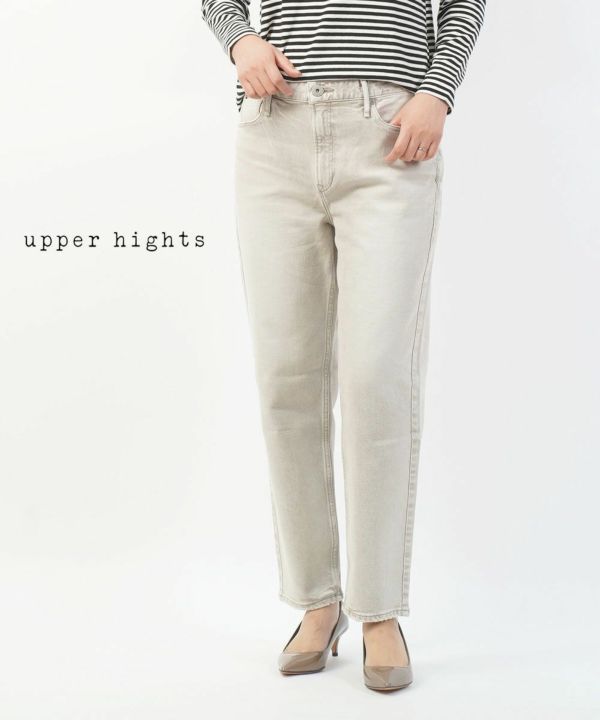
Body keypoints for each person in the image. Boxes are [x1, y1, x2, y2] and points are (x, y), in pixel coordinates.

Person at [202, 0, 486, 692]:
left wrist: (438, 90)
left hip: (390, 129)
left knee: (376, 379)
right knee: (287, 380)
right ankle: (316, 602)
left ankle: (379, 609)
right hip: (276, 129)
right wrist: (239, 41)